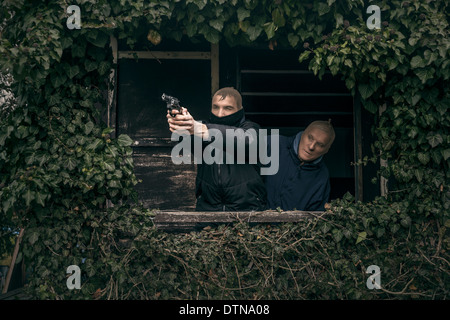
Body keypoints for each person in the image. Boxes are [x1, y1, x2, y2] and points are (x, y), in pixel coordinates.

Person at [167, 87, 266, 211]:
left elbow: (245, 141)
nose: (220, 113)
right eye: (216, 107)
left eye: (227, 108)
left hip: (247, 213)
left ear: (240, 110)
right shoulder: (202, 129)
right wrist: (181, 121)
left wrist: (199, 128)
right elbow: (185, 137)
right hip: (208, 211)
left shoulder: (252, 129)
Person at [265, 120, 335, 211]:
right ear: (303, 133)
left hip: (290, 225)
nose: (311, 147)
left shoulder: (322, 176)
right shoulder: (273, 143)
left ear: (326, 150)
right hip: (249, 222)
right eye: (310, 138)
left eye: (320, 144)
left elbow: (316, 217)